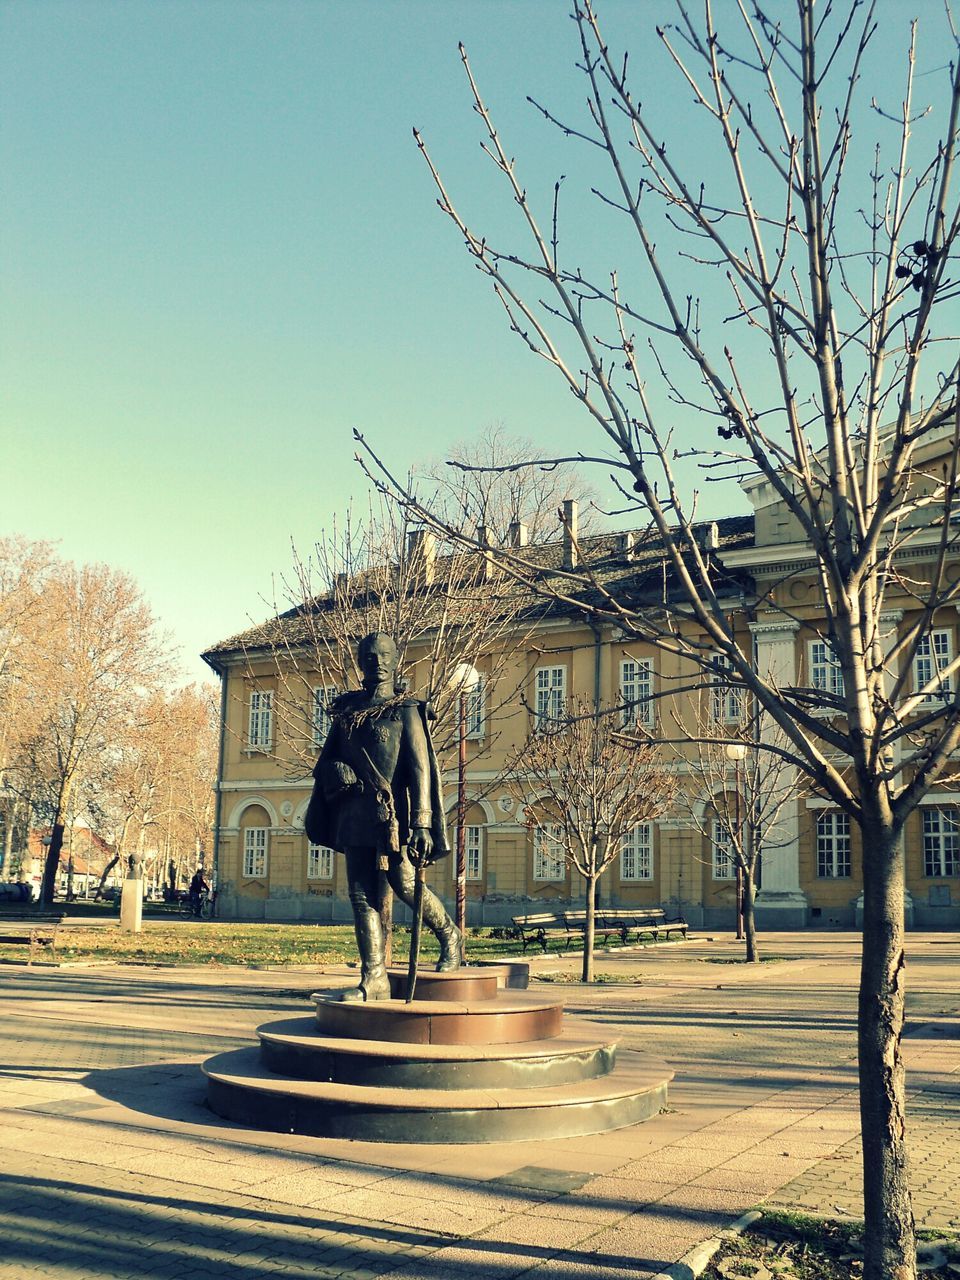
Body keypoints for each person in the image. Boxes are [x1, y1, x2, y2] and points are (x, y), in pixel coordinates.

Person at [305, 631, 460, 1001]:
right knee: (361, 896)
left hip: (394, 817)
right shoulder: (345, 712)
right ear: (361, 662)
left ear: (395, 658)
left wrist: (422, 823)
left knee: (404, 883)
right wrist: (335, 771)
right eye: (370, 656)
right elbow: (324, 762)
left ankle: (450, 936)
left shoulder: (406, 710)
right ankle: (374, 977)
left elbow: (421, 769)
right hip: (354, 813)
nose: (377, 662)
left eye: (384, 655)